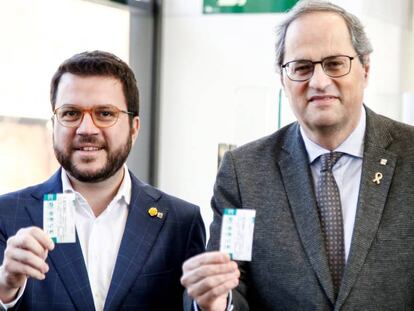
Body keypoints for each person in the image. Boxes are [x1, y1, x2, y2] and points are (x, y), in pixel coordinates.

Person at [181, 0, 414, 310]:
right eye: (302, 67)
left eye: (334, 63)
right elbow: (232, 279)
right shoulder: (245, 173)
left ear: (366, 69)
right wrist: (216, 301)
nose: (319, 82)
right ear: (282, 79)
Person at [0, 50, 205, 310]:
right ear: (54, 124)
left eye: (105, 114)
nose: (86, 129)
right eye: (71, 113)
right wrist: (5, 287)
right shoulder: (7, 217)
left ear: (134, 128)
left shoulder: (180, 222)